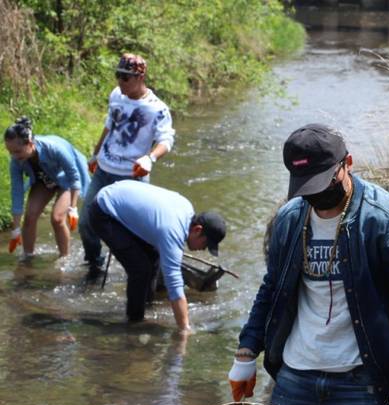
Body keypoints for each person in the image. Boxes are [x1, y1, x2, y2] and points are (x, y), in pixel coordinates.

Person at [227, 124, 389, 405]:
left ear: (347, 164)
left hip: (361, 381)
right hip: (295, 376)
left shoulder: (386, 219)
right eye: (307, 186)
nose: (316, 195)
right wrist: (247, 351)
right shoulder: (289, 220)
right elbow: (271, 288)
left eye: (323, 182)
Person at [79, 53, 175, 278]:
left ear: (140, 78)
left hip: (133, 177)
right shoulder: (116, 95)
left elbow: (166, 141)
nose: (120, 82)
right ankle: (95, 263)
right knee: (85, 223)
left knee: (134, 232)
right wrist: (95, 155)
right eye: (118, 76)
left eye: (125, 78)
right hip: (104, 171)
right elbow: (109, 126)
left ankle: (145, 273)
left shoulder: (157, 109)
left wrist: (149, 158)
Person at [87, 180, 226, 332]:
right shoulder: (172, 232)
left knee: (153, 258)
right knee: (140, 269)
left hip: (117, 195)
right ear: (197, 230)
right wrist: (184, 329)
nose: (203, 249)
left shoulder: (187, 208)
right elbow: (174, 285)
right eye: (205, 244)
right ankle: (134, 323)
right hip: (104, 211)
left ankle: (146, 305)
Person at [4, 116, 90, 258]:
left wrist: (73, 208)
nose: (13, 156)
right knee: (30, 216)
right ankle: (27, 258)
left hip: (65, 180)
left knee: (57, 218)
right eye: (10, 151)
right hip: (43, 181)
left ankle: (64, 258)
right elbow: (17, 192)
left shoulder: (55, 148)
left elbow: (74, 177)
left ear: (30, 144)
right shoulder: (16, 161)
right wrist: (15, 229)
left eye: (17, 151)